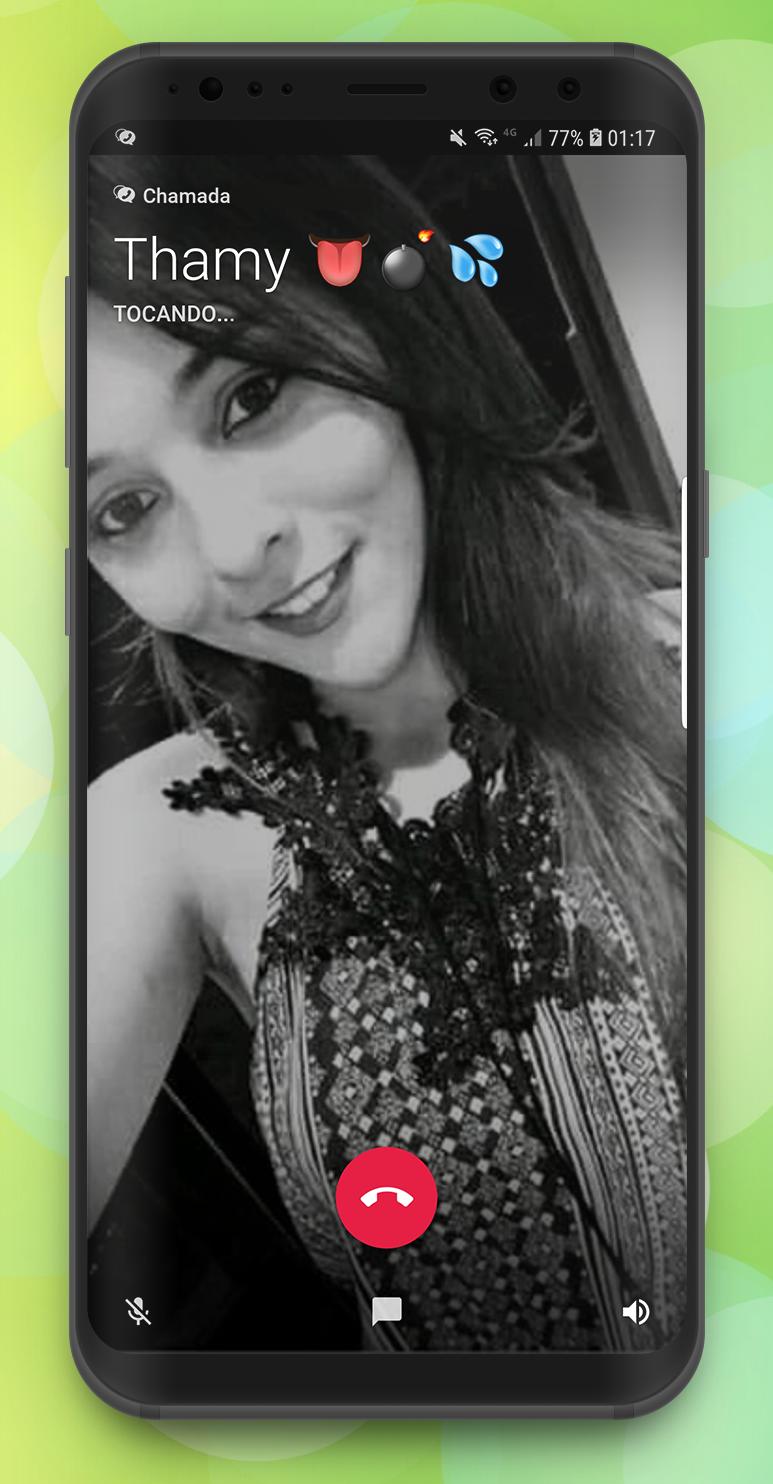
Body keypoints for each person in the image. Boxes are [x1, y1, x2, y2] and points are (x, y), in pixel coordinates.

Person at [85, 152, 686, 1352]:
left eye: (253, 395)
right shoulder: (162, 830)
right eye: (123, 509)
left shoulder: (714, 665)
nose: (237, 545)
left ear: (387, 331)